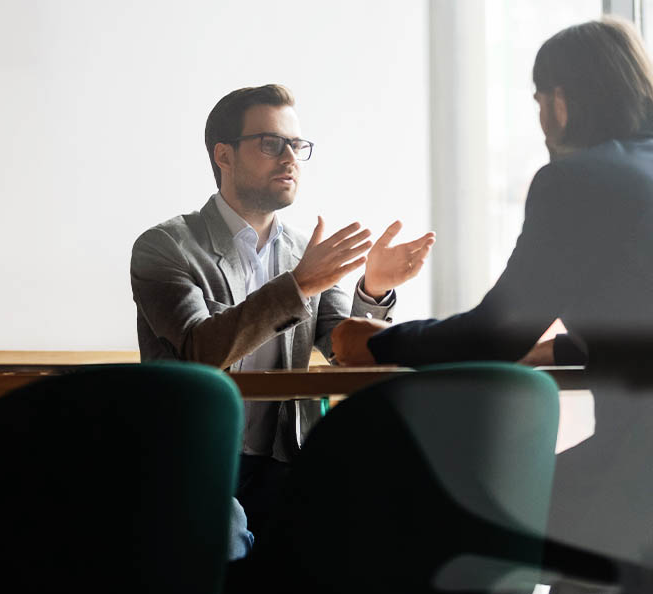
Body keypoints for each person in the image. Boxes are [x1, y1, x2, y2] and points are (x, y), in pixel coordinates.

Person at [332, 17, 653, 591]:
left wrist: (376, 340)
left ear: (559, 101)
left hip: (639, 476)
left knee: (464, 520)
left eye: (537, 101)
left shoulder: (578, 180)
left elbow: (491, 334)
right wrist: (561, 346)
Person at [131, 84, 435, 541]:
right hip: (193, 457)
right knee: (224, 539)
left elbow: (344, 351)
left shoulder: (303, 252)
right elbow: (198, 349)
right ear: (224, 155)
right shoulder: (166, 247)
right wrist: (300, 285)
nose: (290, 157)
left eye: (297, 145)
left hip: (286, 459)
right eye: (271, 143)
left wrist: (373, 290)